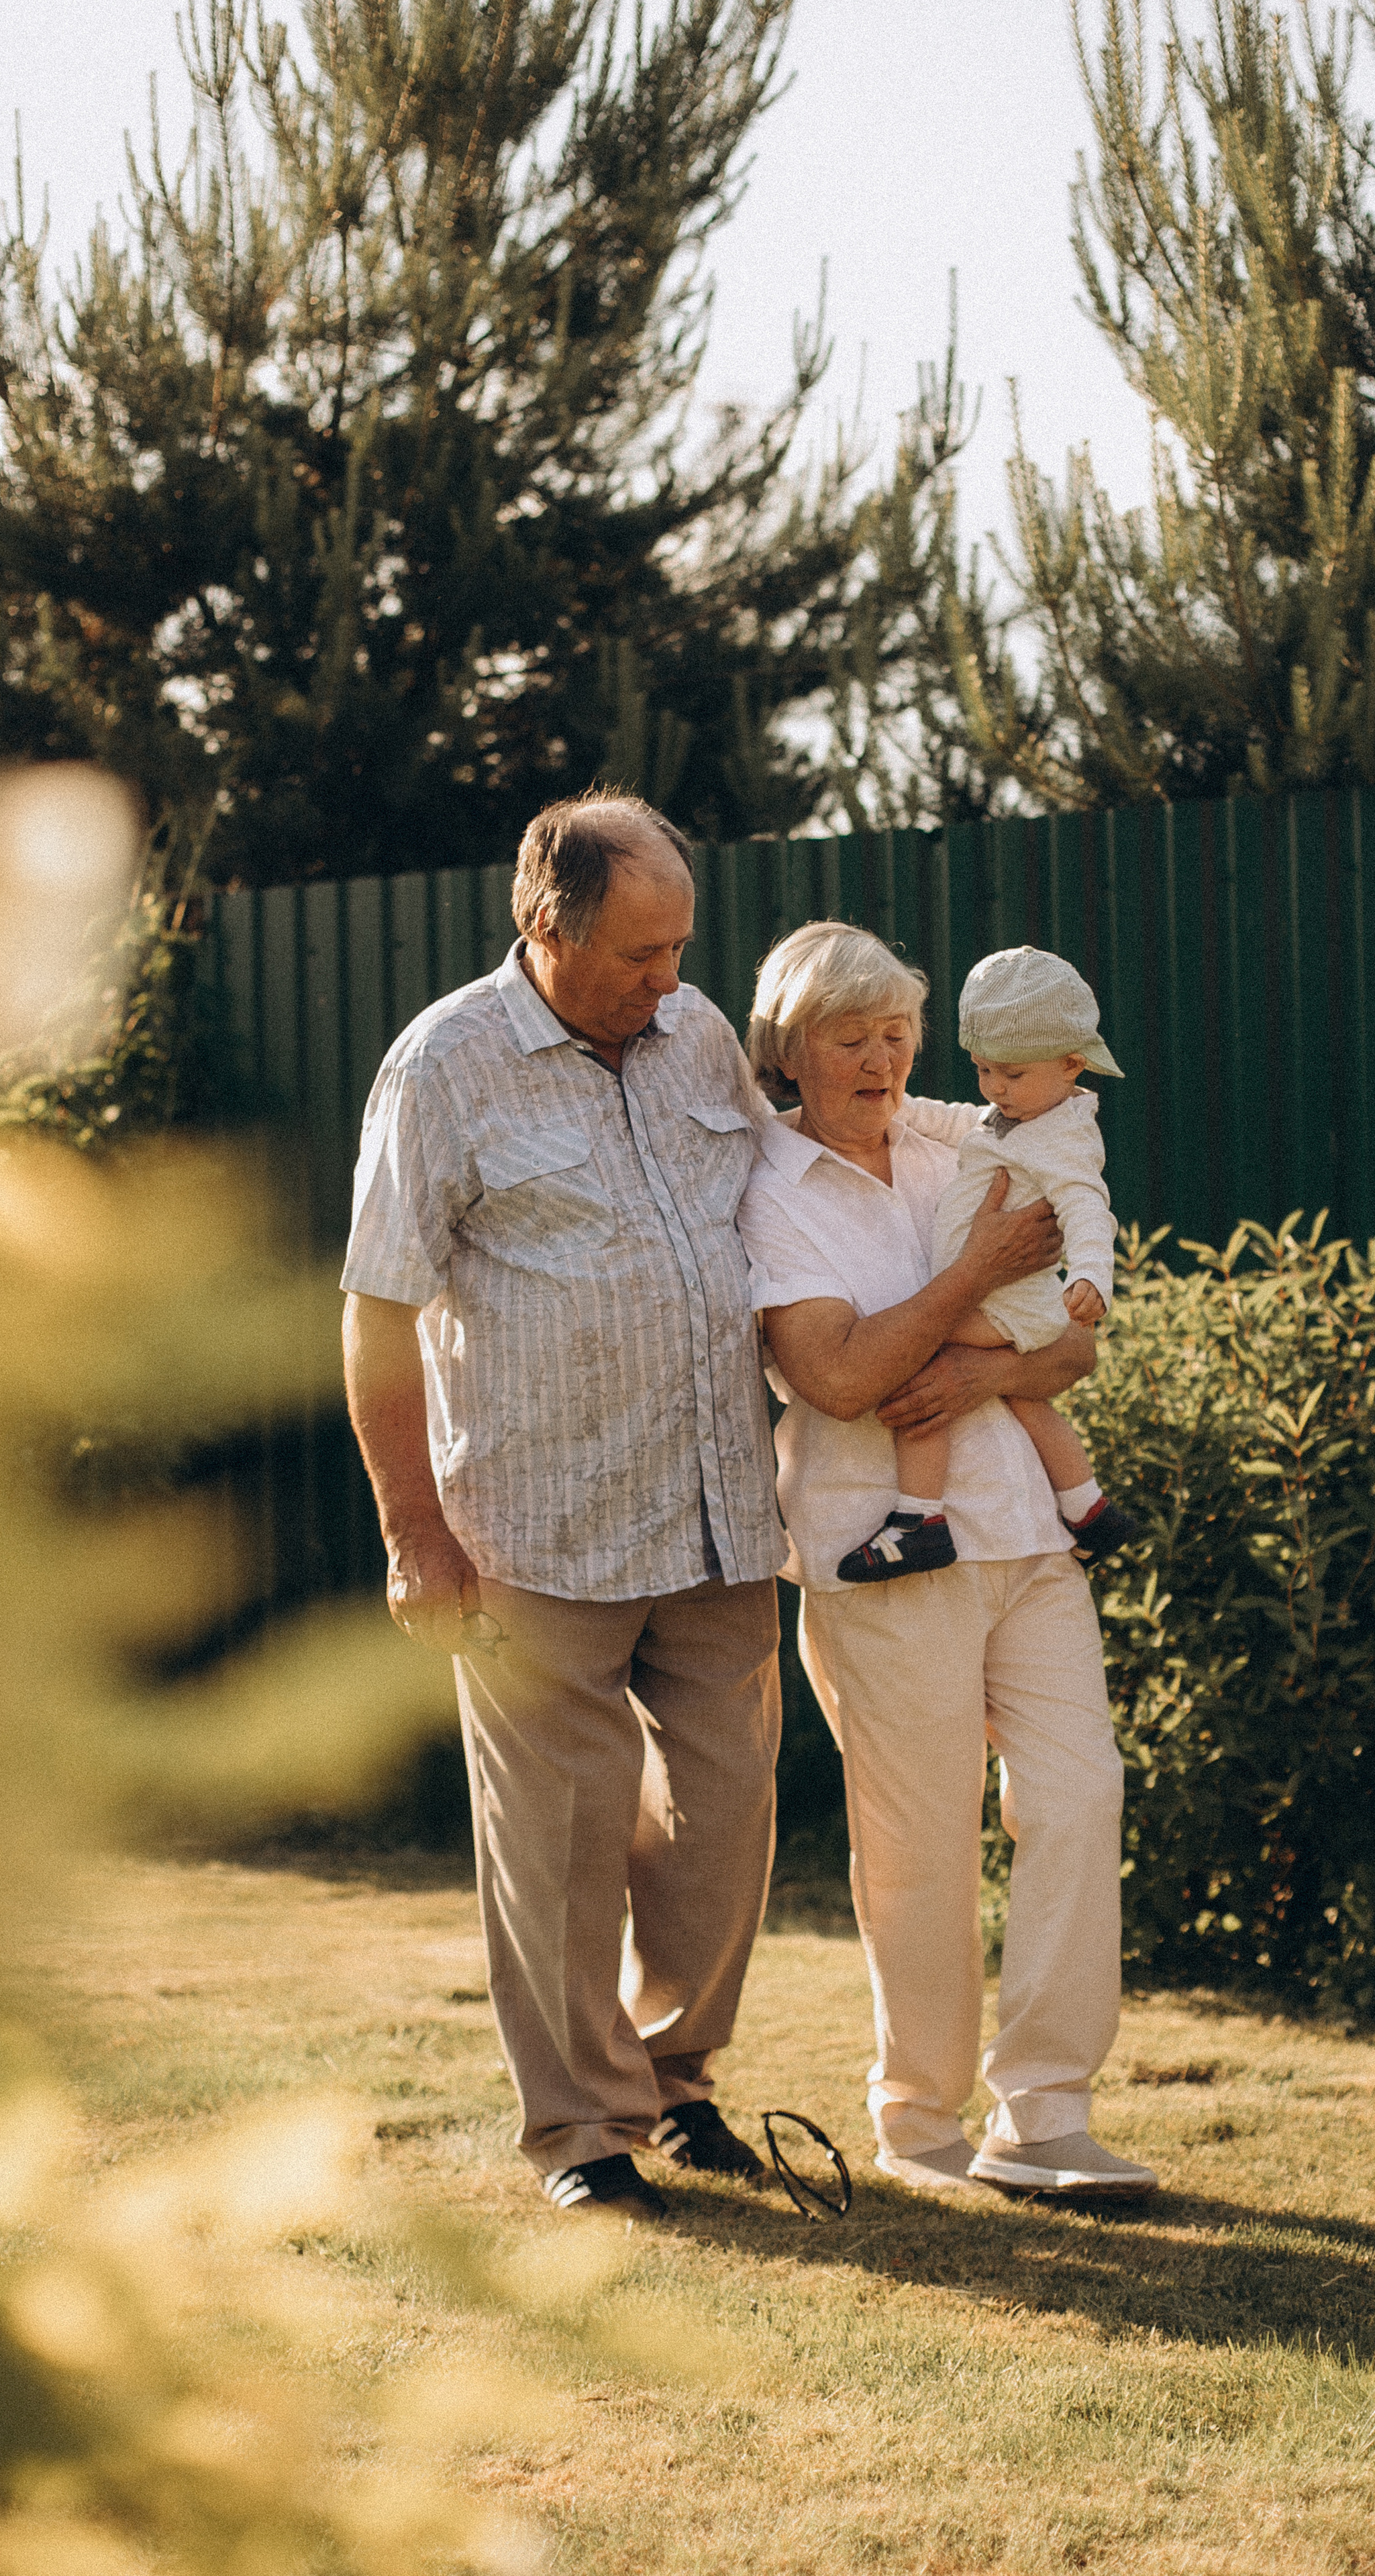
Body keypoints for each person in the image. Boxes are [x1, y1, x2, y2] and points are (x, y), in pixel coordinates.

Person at [340, 793, 788, 2226]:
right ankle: (581, 2132)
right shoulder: (442, 1068)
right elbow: (376, 1314)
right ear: (550, 926)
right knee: (559, 1839)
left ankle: (675, 2078)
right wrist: (414, 1532)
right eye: (643, 954)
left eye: (680, 950)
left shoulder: (699, 1030)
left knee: (722, 1821)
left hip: (719, 1508)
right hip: (537, 1527)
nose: (670, 980)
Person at [736, 920, 1159, 2199]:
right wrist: (974, 1278)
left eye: (898, 1031)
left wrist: (973, 1364)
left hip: (1027, 1524)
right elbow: (840, 1376)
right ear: (788, 1053)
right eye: (850, 1037)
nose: (882, 1059)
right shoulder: (766, 1191)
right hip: (882, 1548)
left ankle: (1045, 2118)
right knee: (920, 1841)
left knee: (1080, 1796)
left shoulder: (969, 1134)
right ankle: (920, 2122)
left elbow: (1074, 1346)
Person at [836, 945, 1137, 1584]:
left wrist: (1092, 1275)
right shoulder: (1022, 1114)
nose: (996, 1089)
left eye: (1012, 1075)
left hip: (1007, 1302)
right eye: (983, 1071)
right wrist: (896, 1105)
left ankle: (919, 1519)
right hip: (1010, 1301)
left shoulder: (1063, 1140)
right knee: (1028, 1399)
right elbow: (960, 1123)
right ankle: (1089, 1508)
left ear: (1071, 1065)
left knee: (913, 1354)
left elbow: (1087, 1206)